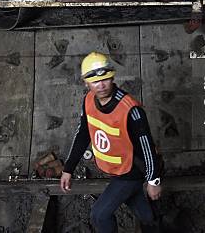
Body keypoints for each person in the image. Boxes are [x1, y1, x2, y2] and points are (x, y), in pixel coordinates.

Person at [60, 52, 162, 232]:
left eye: (105, 79)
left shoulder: (131, 110)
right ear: (86, 82)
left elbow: (147, 147)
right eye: (94, 82)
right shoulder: (88, 101)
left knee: (99, 215)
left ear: (113, 77)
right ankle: (154, 224)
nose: (101, 85)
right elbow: (83, 133)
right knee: (145, 215)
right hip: (117, 170)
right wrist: (68, 168)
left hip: (132, 171)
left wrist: (153, 180)